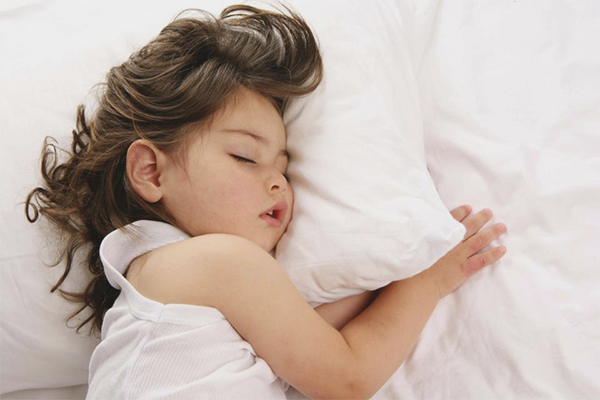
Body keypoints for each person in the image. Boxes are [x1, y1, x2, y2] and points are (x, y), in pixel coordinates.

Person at [25, 4, 508, 399]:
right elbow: (346, 377)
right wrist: (427, 280)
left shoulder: (166, 284)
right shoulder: (216, 262)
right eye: (244, 156)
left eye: (283, 166)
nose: (278, 183)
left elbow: (305, 344)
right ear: (151, 171)